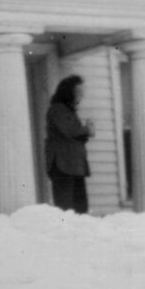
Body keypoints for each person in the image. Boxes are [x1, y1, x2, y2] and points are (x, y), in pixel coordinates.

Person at [45, 75, 95, 214]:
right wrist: (87, 129)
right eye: (79, 92)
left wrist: (85, 132)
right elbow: (69, 131)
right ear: (68, 92)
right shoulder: (58, 109)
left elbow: (76, 137)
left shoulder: (69, 111)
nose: (81, 96)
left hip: (75, 165)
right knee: (65, 207)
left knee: (80, 207)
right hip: (63, 165)